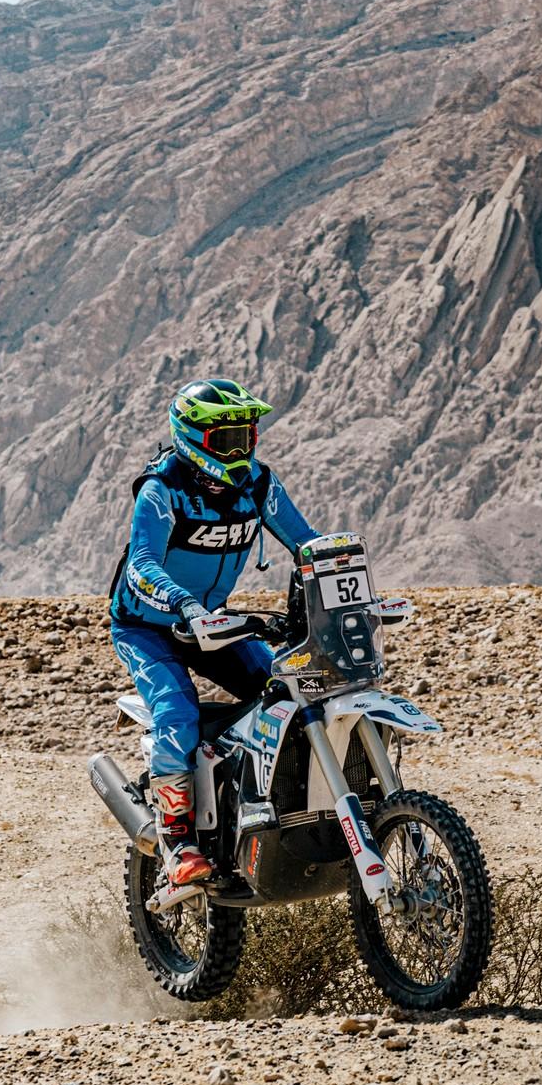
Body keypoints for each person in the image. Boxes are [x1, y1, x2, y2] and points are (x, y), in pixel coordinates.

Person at [108, 377, 318, 890]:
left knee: (289, 687)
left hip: (212, 622)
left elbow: (307, 543)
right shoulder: (162, 489)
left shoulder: (259, 485)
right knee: (177, 712)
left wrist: (348, 576)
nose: (239, 449)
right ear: (193, 438)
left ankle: (261, 804)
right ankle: (178, 840)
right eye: (226, 439)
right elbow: (140, 565)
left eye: (246, 436)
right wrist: (184, 604)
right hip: (146, 626)